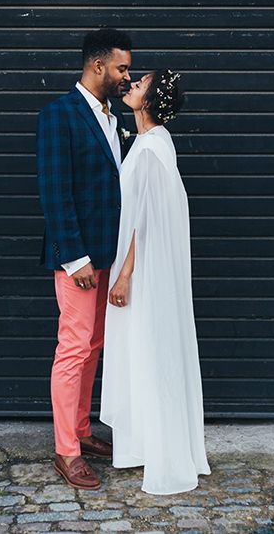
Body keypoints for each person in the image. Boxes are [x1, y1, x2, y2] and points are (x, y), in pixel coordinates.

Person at [100, 69, 211, 495]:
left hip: (140, 273)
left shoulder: (148, 149)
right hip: (151, 271)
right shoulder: (159, 142)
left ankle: (156, 448)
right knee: (150, 351)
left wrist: (124, 275)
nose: (130, 86)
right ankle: (149, 442)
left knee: (145, 351)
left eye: (139, 84)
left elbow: (142, 223)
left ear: (149, 100)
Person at [36, 28, 135, 490]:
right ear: (98, 66)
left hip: (108, 256)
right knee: (73, 350)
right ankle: (66, 452)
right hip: (77, 261)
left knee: (94, 347)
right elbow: (55, 193)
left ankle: (81, 429)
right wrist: (74, 259)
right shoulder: (60, 115)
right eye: (121, 68)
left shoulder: (114, 118)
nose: (125, 76)